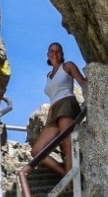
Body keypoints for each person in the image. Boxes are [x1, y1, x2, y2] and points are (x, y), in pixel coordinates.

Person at [25, 42, 86, 179]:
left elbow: (82, 82)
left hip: (67, 103)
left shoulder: (67, 66)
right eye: (52, 51)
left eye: (58, 51)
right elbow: (53, 97)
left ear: (62, 54)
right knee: (36, 151)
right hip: (53, 111)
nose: (55, 53)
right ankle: (66, 176)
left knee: (66, 143)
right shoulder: (48, 75)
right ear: (48, 55)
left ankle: (71, 185)